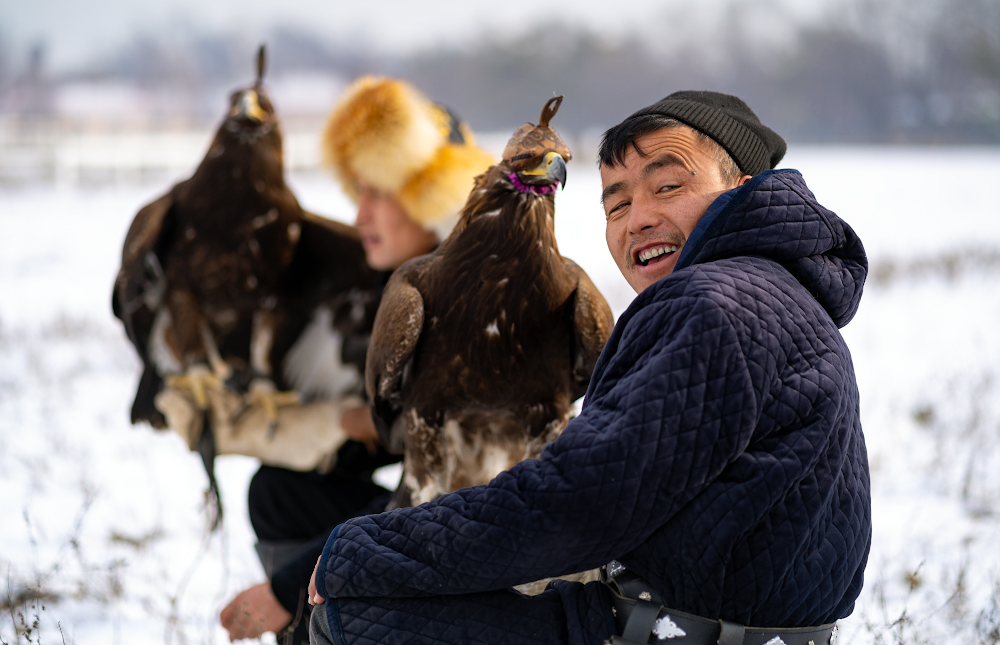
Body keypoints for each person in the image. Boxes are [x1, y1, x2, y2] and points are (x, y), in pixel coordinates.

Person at [306, 90, 871, 645]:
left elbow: (581, 502)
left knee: (354, 614)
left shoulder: (715, 305)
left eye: (669, 186)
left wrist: (360, 552)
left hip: (672, 627)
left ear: (743, 188)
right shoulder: (773, 290)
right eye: (617, 204)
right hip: (710, 615)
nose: (640, 219)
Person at [219, 76, 495, 645]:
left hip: (481, 540)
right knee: (278, 491)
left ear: (431, 194)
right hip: (431, 512)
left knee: (331, 541)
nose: (359, 212)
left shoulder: (479, 299)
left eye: (377, 192)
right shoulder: (394, 282)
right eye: (356, 191)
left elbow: (433, 497)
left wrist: (285, 590)